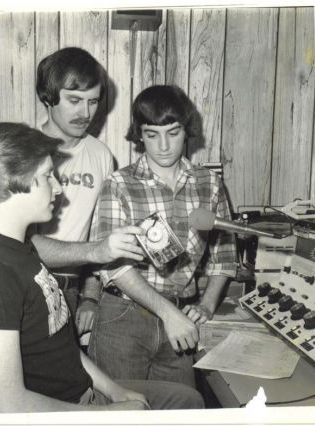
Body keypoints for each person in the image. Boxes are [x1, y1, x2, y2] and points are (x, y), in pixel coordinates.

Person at [0, 122, 205, 413]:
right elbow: (8, 407)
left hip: (83, 395)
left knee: (188, 400)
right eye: (48, 176)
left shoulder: (19, 248)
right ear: (13, 180)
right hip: (62, 411)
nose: (59, 189)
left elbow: (61, 345)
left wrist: (114, 390)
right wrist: (108, 414)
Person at [88, 85, 238, 388]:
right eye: (152, 134)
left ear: (187, 131)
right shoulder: (118, 184)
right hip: (123, 317)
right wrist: (169, 314)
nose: (164, 145)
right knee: (120, 411)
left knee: (182, 408)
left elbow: (224, 256)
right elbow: (113, 266)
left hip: (181, 318)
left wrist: (207, 305)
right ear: (139, 135)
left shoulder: (209, 184)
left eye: (173, 131)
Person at [32, 47, 143, 334]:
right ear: (48, 96)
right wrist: (97, 251)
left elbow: (101, 233)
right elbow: (21, 243)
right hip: (25, 285)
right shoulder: (21, 148)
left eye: (93, 102)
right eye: (74, 100)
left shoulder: (101, 155)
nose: (86, 113)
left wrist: (90, 297)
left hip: (71, 290)